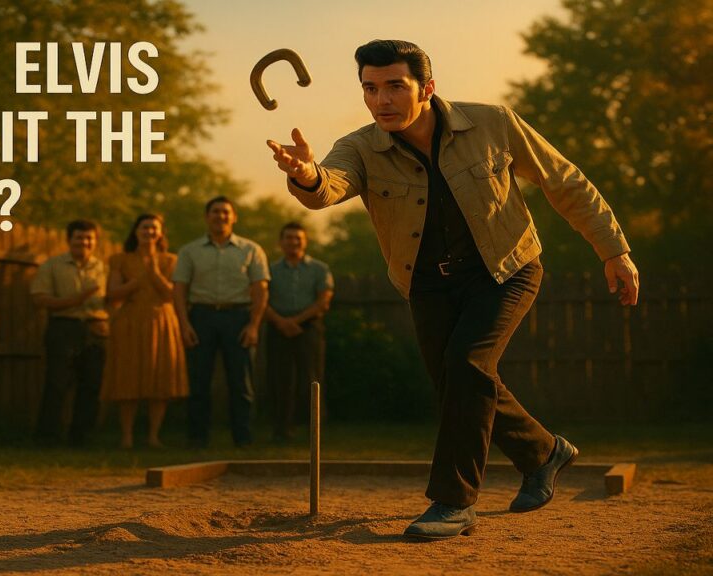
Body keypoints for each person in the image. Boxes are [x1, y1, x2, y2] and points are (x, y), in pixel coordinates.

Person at [267, 39, 639, 539]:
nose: (383, 100)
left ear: (427, 88)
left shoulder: (492, 123)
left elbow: (562, 180)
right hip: (425, 283)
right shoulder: (360, 147)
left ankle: (454, 502)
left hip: (505, 269)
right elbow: (329, 184)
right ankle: (543, 452)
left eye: (396, 86)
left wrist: (613, 250)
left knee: (465, 365)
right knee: (458, 383)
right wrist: (306, 175)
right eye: (371, 89)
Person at [172, 196, 270, 448]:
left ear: (234, 217)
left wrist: (254, 325)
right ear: (207, 217)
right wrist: (184, 325)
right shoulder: (189, 251)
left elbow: (260, 290)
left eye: (226, 212)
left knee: (241, 383)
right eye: (215, 212)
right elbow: (179, 290)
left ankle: (243, 438)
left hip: (238, 318)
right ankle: (197, 438)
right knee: (198, 382)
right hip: (201, 317)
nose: (220, 216)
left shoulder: (252, 250)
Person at [100, 214, 188, 449]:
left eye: (153, 228)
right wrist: (137, 280)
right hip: (129, 321)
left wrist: (155, 273)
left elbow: (173, 295)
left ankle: (153, 436)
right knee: (128, 378)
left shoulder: (171, 260)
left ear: (160, 233)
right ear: (135, 231)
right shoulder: (120, 259)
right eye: (144, 227)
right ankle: (127, 437)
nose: (148, 232)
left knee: (160, 379)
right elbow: (113, 293)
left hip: (162, 321)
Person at [31, 220, 108, 447]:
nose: (84, 242)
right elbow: (39, 298)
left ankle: (82, 439)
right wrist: (76, 300)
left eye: (89, 238)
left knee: (91, 386)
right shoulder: (52, 266)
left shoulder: (103, 268)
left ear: (95, 241)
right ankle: (47, 438)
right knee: (57, 383)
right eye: (79, 237)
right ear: (69, 239)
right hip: (64, 327)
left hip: (95, 330)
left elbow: (111, 300)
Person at [265, 222, 334, 442]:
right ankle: (282, 430)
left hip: (309, 327)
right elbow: (260, 300)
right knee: (281, 379)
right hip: (278, 327)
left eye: (298, 238)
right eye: (288, 238)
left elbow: (323, 301)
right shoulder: (270, 270)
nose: (293, 242)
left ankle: (315, 431)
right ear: (281, 242)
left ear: (305, 241)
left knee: (313, 378)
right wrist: (281, 322)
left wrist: (296, 321)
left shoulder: (319, 269)